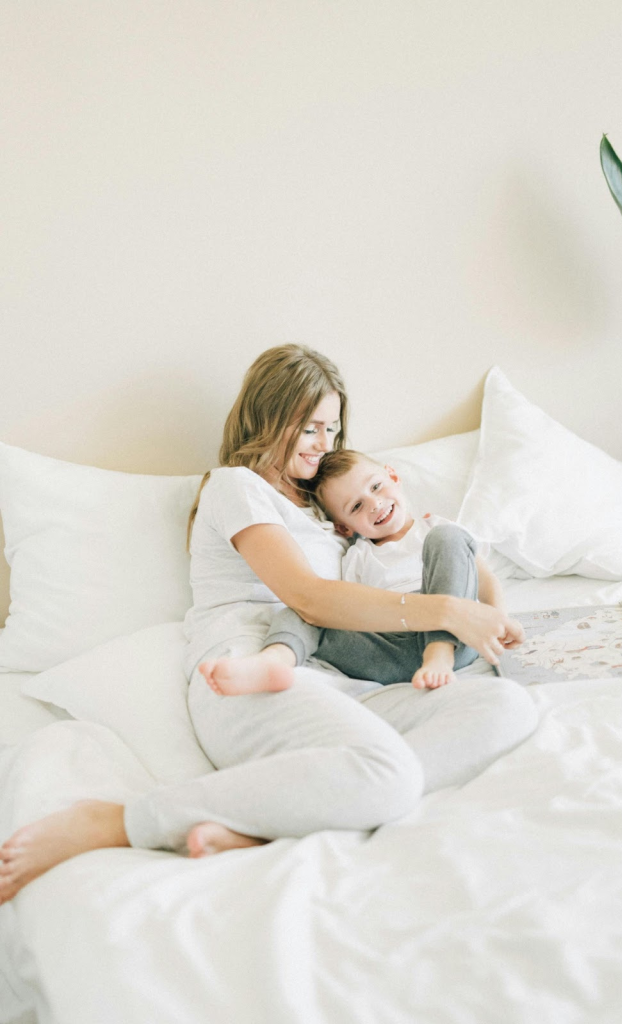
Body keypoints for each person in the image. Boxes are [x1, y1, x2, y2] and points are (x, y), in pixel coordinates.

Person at [0, 345, 538, 905]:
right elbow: (308, 599)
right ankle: (121, 820)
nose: (323, 444)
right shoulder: (236, 486)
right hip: (249, 668)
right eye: (309, 427)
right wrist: (446, 611)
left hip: (341, 677)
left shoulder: (326, 510)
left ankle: (267, 823)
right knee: (389, 775)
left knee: (508, 707)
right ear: (268, 416)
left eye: (331, 429)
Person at [201, 449, 521, 694]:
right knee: (307, 608)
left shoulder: (435, 527)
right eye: (356, 507)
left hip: (457, 637)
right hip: (387, 651)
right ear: (343, 526)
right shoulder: (357, 557)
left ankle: (438, 653)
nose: (374, 504)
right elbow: (344, 612)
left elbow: (483, 576)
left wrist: (498, 619)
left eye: (377, 487)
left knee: (448, 538)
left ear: (393, 476)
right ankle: (275, 660)